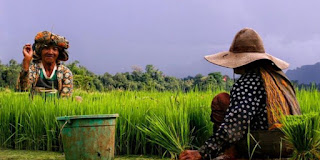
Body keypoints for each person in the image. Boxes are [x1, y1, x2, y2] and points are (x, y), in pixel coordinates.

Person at [179, 28, 301, 160]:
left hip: (265, 145)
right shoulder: (277, 77)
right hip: (291, 142)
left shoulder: (250, 81)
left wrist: (202, 152)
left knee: (220, 99)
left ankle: (232, 154)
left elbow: (235, 125)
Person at [17, 31, 73, 98]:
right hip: (35, 106)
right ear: (40, 51)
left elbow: (65, 98)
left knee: (78, 99)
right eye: (46, 48)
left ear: (58, 53)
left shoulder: (65, 73)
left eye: (54, 49)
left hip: (56, 106)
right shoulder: (34, 69)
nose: (50, 52)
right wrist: (26, 61)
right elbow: (23, 88)